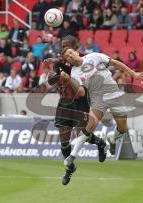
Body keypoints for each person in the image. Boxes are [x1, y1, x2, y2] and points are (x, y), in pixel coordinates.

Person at [61, 47, 143, 172]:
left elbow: (115, 63)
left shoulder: (93, 56)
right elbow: (81, 92)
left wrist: (133, 73)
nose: (70, 56)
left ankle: (112, 139)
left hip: (114, 94)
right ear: (68, 62)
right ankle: (72, 156)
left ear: (77, 52)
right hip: (97, 99)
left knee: (123, 129)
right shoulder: (75, 73)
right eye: (67, 56)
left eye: (71, 53)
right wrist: (68, 80)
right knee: (90, 125)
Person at [44, 35, 107, 186]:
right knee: (64, 142)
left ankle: (100, 143)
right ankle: (69, 168)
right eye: (62, 45)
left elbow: (84, 87)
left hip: (80, 102)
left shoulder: (83, 62)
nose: (64, 48)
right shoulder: (58, 63)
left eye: (67, 46)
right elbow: (52, 82)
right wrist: (52, 77)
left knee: (82, 134)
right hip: (64, 103)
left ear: (75, 47)